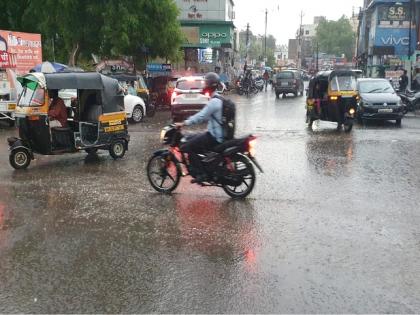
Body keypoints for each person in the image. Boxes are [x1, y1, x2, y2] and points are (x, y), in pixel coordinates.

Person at [175, 72, 224, 183]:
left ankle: (201, 174)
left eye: (206, 83)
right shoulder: (218, 98)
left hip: (214, 137)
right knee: (189, 138)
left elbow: (200, 116)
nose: (204, 85)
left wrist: (184, 123)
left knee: (188, 146)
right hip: (215, 133)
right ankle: (204, 165)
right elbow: (209, 117)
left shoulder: (214, 102)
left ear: (210, 85)